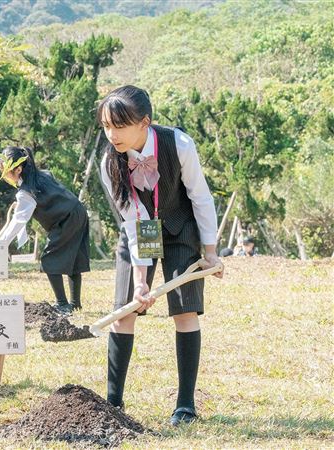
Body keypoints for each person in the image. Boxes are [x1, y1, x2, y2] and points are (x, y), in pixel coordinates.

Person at [97, 85, 223, 426]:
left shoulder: (179, 144)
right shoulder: (110, 162)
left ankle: (185, 406)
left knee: (185, 311)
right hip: (140, 231)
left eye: (119, 125)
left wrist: (210, 252)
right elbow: (135, 218)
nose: (112, 134)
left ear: (145, 123)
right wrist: (141, 282)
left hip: (182, 228)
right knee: (125, 312)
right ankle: (113, 405)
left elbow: (200, 197)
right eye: (107, 126)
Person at [0, 146, 91, 314]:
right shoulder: (41, 175)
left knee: (49, 259)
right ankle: (75, 303)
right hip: (77, 211)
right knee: (73, 259)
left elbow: (18, 222)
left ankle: (62, 304)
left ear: (18, 169)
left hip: (66, 219)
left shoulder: (26, 192)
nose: (3, 176)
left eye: (5, 171)